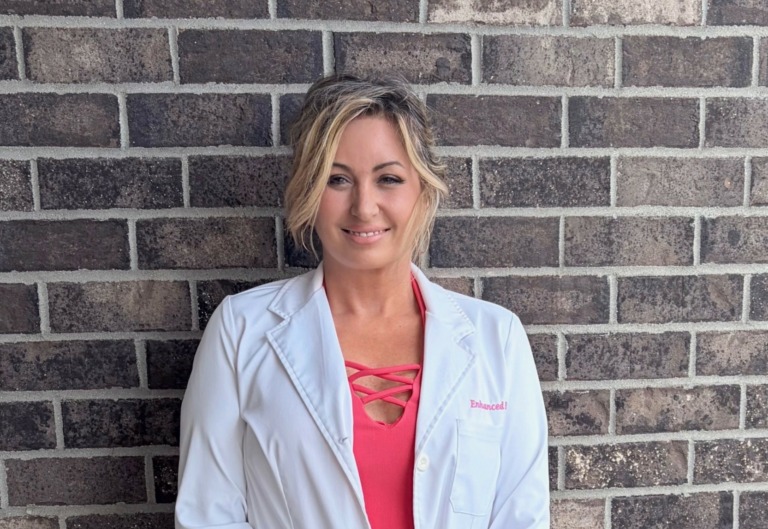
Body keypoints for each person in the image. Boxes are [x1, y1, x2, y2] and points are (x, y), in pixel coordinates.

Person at [175, 75, 550, 529]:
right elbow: (207, 516)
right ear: (309, 192)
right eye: (337, 180)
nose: (364, 206)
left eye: (388, 179)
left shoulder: (497, 339)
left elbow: (521, 517)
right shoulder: (241, 331)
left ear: (423, 190)